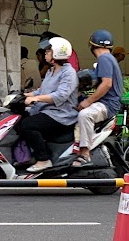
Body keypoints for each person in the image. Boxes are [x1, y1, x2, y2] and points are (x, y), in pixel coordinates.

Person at [16, 37, 78, 172]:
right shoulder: (51, 71)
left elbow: (61, 95)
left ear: (57, 54)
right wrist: (26, 95)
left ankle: (43, 160)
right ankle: (29, 155)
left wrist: (37, 99)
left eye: (48, 51)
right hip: (48, 111)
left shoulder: (68, 72)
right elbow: (43, 90)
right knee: (21, 119)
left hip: (61, 114)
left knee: (27, 125)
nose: (45, 53)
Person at [74, 29, 123, 167]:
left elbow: (107, 84)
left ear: (93, 45)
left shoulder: (104, 59)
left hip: (107, 105)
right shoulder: (109, 59)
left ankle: (84, 154)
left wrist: (88, 101)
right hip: (107, 103)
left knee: (85, 115)